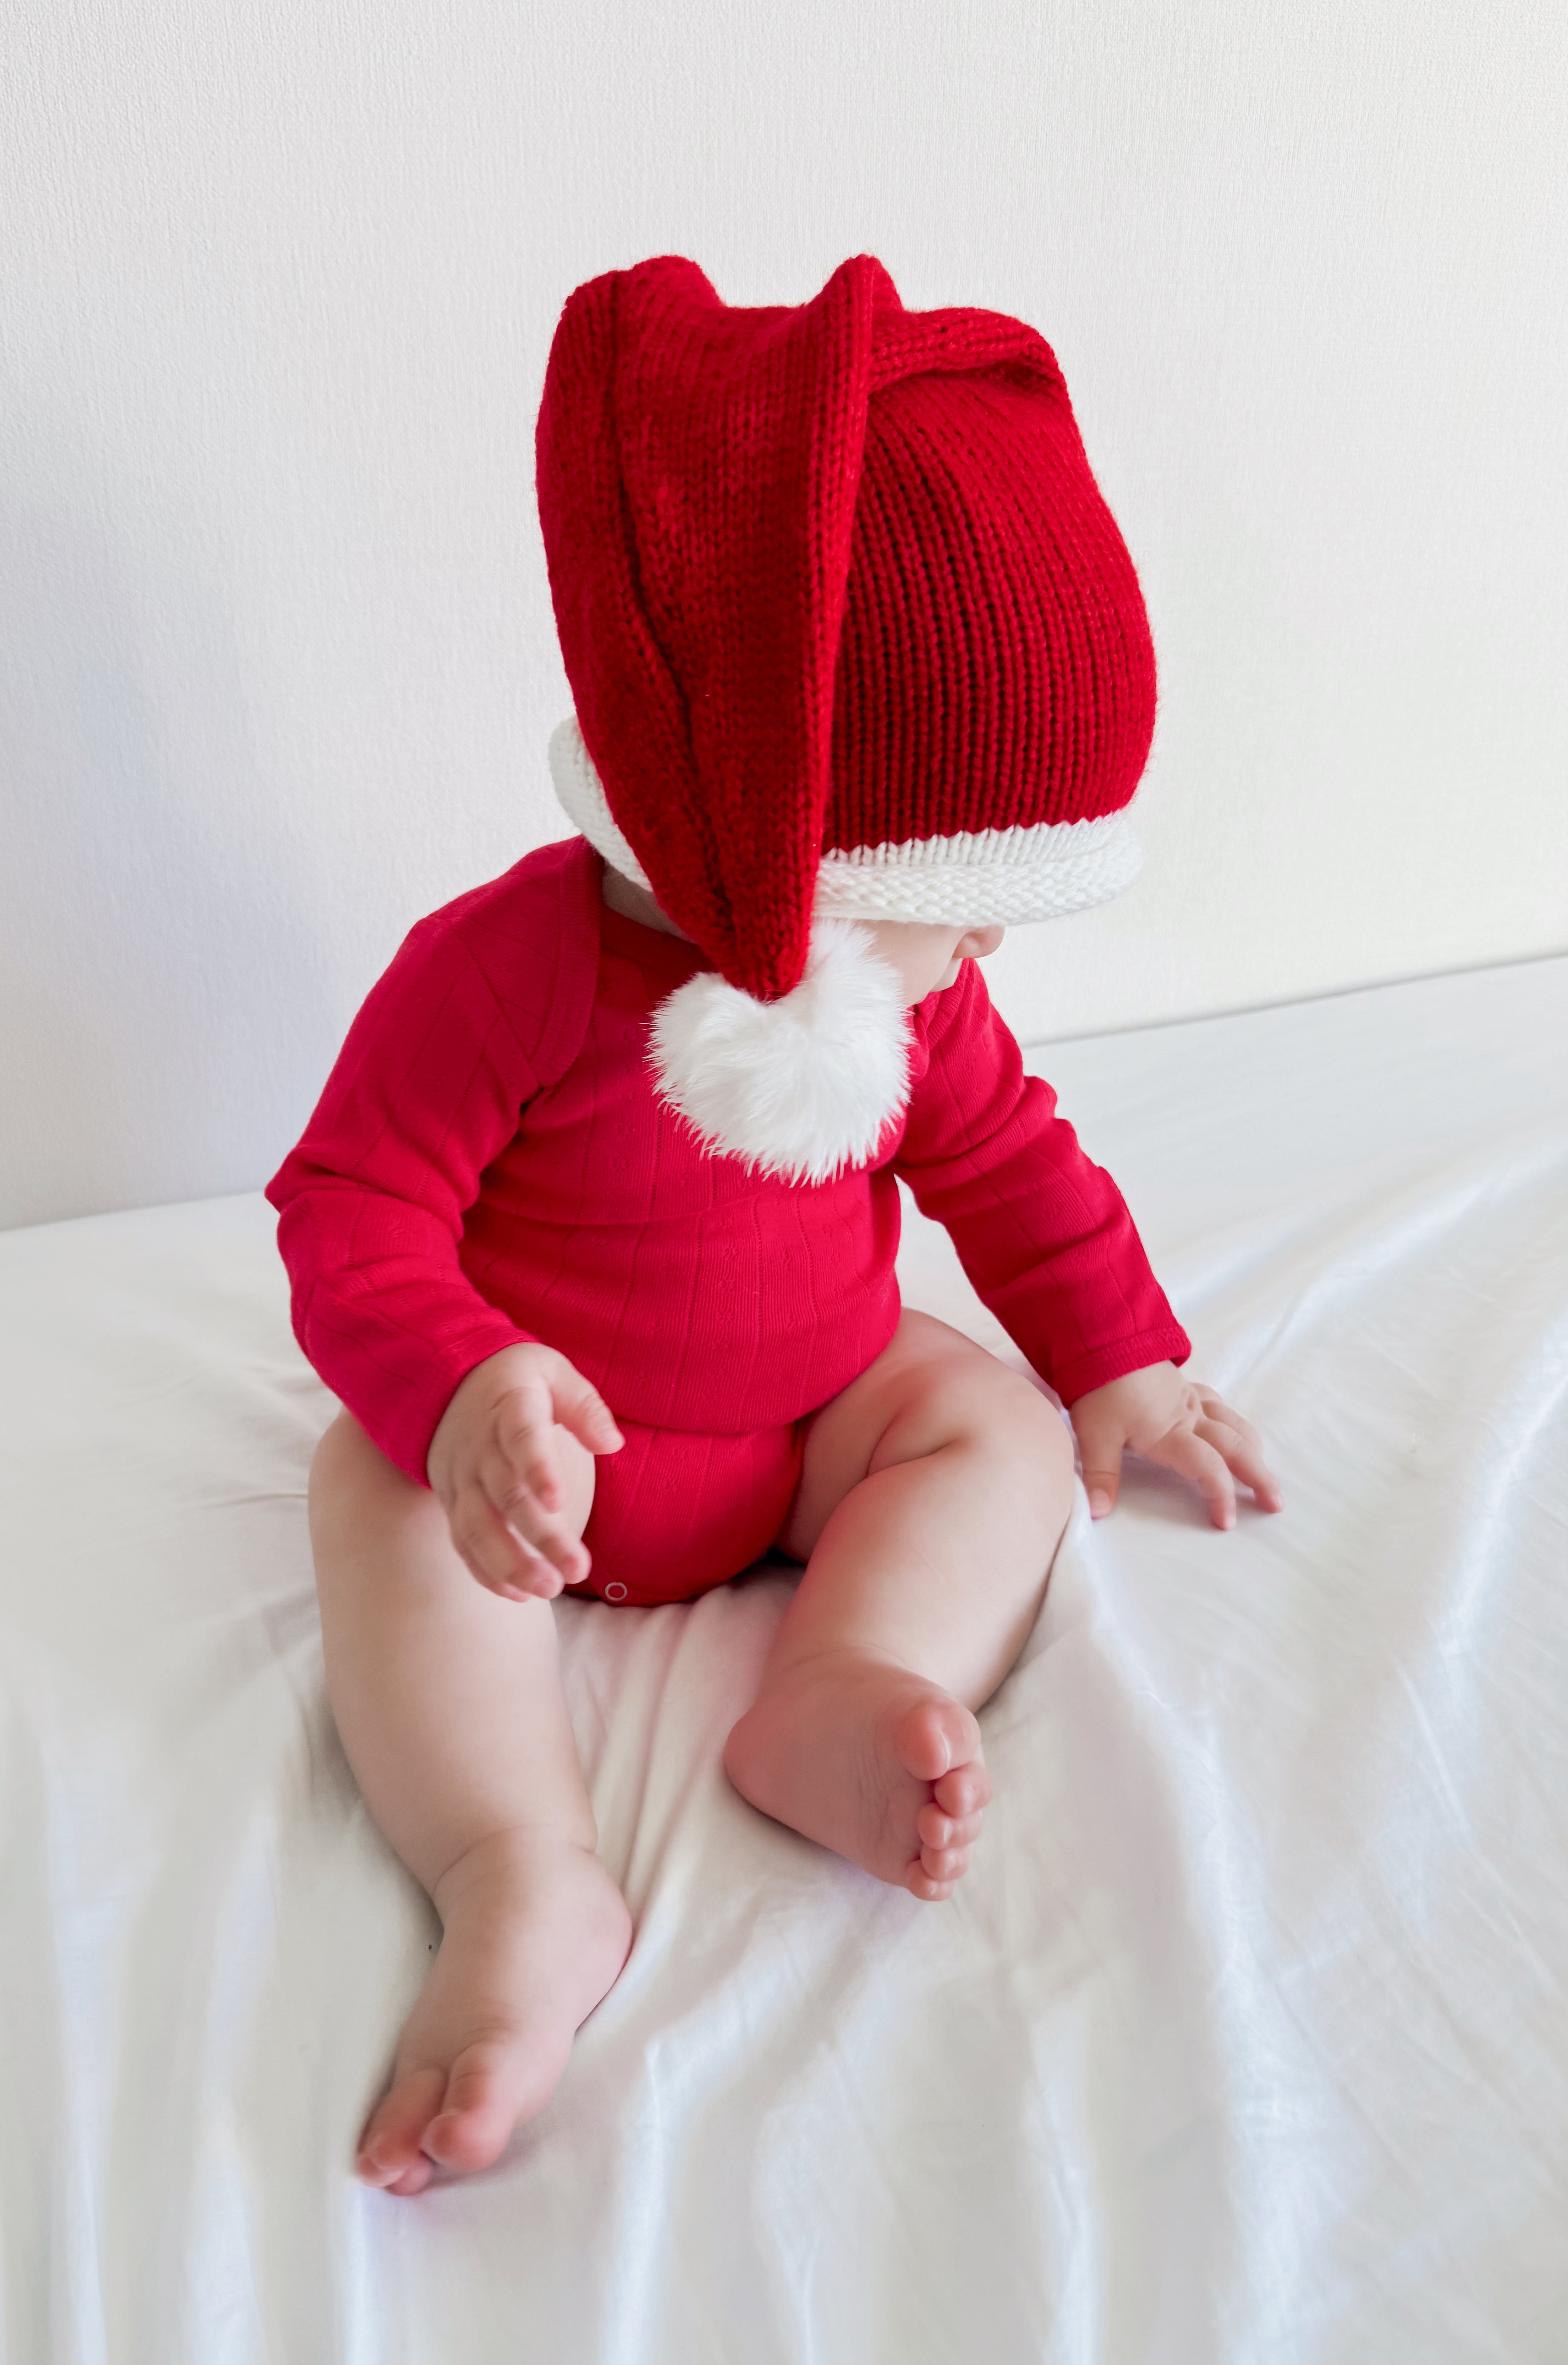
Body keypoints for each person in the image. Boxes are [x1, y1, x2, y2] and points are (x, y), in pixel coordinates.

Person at [266, 255, 1281, 2199]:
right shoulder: (511, 972)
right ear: (766, 841)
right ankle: (518, 1877)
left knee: (982, 1425)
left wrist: (1123, 1362)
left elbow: (1013, 1174)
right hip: (543, 1472)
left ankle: (834, 1680)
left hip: (813, 1419)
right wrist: (464, 1386)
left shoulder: (915, 1011)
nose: (980, 949)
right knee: (368, 1489)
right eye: (954, 894)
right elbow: (352, 1206)